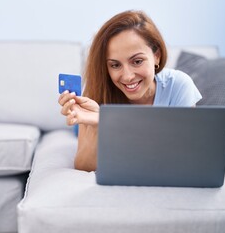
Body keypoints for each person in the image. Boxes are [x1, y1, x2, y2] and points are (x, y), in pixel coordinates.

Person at [58, 10, 202, 172]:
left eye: (137, 61)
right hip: (93, 114)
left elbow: (183, 155)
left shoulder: (179, 85)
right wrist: (99, 125)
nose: (127, 77)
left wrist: (110, 123)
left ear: (157, 56)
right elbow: (84, 166)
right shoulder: (98, 90)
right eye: (115, 65)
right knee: (80, 128)